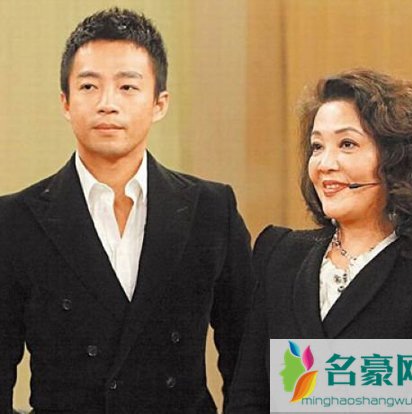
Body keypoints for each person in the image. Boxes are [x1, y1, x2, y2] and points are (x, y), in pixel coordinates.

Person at [0, 8, 253, 414]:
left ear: (159, 103)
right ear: (65, 102)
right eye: (89, 86)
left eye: (127, 87)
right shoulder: (15, 221)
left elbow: (247, 360)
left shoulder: (211, 210)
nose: (107, 104)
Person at [226, 68, 412, 413]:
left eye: (347, 144)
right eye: (317, 146)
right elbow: (249, 395)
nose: (325, 164)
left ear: (395, 158)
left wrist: (305, 387)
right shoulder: (280, 254)